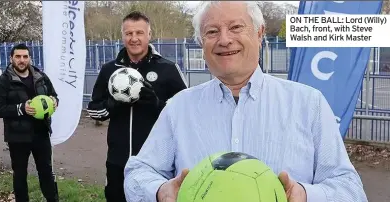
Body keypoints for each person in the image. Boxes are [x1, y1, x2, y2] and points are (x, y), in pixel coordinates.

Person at [123, 2, 367, 202]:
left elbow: (350, 189)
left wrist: (305, 195)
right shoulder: (179, 108)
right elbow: (138, 173)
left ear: (259, 33)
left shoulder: (308, 104)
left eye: (236, 27)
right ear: (201, 43)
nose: (224, 39)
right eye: (212, 31)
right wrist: (160, 190)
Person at [86, 11, 188, 202]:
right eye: (129, 33)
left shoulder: (167, 68)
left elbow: (185, 112)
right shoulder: (110, 69)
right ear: (123, 36)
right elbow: (94, 109)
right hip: (118, 161)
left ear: (149, 35)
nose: (134, 38)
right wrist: (112, 104)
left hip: (156, 164)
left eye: (139, 33)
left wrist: (157, 105)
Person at [0, 43, 59, 202]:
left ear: (29, 58)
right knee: (20, 175)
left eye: (25, 56)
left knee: (46, 172)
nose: (22, 60)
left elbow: (54, 95)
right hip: (17, 137)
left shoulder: (41, 77)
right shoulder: (3, 81)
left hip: (41, 133)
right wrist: (21, 108)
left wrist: (54, 101)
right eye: (18, 57)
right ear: (11, 58)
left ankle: (53, 199)